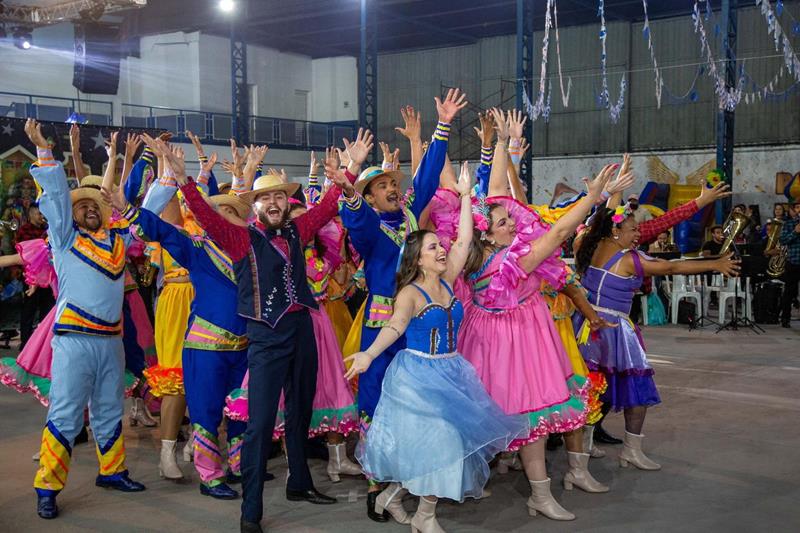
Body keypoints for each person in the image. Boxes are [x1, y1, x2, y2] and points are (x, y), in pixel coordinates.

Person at [168, 134, 363, 533]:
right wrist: (183, 176)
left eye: (279, 198)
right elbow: (204, 214)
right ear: (254, 206)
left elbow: (328, 206)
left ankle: (299, 484)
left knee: (300, 412)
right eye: (266, 199)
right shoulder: (240, 238)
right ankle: (251, 511)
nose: (274, 203)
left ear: (286, 203)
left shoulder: (297, 230)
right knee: (258, 426)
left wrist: (351, 169)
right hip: (265, 338)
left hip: (301, 330)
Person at [345, 162, 529, 532]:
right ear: (417, 257)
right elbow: (395, 327)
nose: (442, 250)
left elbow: (463, 240)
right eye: (433, 247)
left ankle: (392, 496)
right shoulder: (409, 293)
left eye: (440, 246)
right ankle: (425, 517)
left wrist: (464, 198)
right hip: (417, 376)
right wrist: (367, 354)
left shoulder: (447, 281)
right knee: (442, 444)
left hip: (451, 370)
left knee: (436, 446)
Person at [458, 150, 618, 520]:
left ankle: (489, 482)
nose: (512, 224)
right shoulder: (512, 262)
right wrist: (592, 197)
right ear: (487, 235)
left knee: (494, 414)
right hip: (513, 342)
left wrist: (501, 143)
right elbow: (561, 231)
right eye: (503, 224)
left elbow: (498, 192)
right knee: (530, 418)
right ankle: (538, 495)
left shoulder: (487, 256)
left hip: (491, 339)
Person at [339, 88, 466, 522]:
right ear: (370, 197)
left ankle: (410, 480)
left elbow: (428, 175)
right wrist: (351, 185)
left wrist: (443, 125)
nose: (392, 189)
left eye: (393, 182)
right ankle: (378, 484)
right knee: (376, 402)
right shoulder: (371, 227)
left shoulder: (411, 219)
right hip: (381, 325)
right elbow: (353, 222)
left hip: (418, 327)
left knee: (420, 407)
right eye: (382, 187)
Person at [104, 143, 252, 500]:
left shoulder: (250, 253)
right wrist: (126, 208)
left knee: (239, 407)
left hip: (245, 345)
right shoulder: (196, 248)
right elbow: (162, 231)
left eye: (234, 213)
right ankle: (209, 475)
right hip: (205, 345)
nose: (227, 217)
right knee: (205, 407)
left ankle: (237, 464)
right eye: (223, 212)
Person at [24, 119, 145, 520]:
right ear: (71, 214)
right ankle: (48, 485)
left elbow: (149, 210)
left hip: (111, 341)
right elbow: (56, 195)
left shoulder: (118, 241)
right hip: (73, 341)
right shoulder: (64, 238)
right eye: (82, 205)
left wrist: (167, 176)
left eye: (96, 204)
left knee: (110, 408)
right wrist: (45, 149)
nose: (90, 207)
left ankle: (112, 471)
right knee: (65, 412)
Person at [574, 205, 740, 471]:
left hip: (585, 325)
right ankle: (630, 451)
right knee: (638, 391)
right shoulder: (627, 259)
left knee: (594, 389)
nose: (639, 233)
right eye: (633, 229)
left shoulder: (590, 245)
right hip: (613, 329)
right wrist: (715, 263)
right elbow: (671, 266)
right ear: (615, 231)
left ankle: (586, 446)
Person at [15, 204, 55, 348]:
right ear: (31, 214)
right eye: (39, 214)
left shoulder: (47, 229)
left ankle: (43, 344)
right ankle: (26, 344)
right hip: (30, 277)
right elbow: (24, 255)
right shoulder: (24, 231)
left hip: (48, 278)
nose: (42, 216)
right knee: (29, 311)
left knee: (47, 311)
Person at [779, 201, 800, 328]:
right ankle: (785, 318)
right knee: (789, 292)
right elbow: (783, 240)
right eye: (797, 207)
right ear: (794, 210)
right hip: (794, 261)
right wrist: (795, 232)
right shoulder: (789, 223)